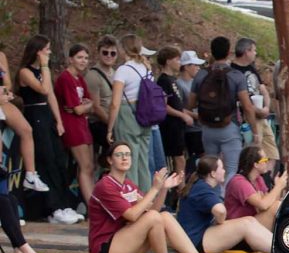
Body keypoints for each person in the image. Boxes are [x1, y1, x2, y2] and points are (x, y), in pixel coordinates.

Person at [88, 141, 228, 253]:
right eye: (119, 155)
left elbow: (153, 211)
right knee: (154, 217)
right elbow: (132, 216)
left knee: (165, 216)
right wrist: (154, 189)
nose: (124, 158)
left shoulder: (128, 185)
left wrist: (163, 189)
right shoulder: (105, 185)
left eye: (128, 155)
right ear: (109, 160)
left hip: (124, 246)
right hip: (105, 250)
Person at [17, 35, 81, 224]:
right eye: (47, 49)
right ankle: (53, 208)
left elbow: (51, 94)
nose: (50, 52)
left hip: (47, 115)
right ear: (38, 51)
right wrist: (44, 66)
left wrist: (59, 120)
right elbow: (43, 89)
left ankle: (64, 203)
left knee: (58, 160)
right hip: (34, 114)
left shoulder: (44, 71)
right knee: (46, 161)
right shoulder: (25, 72)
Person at [190, 36, 257, 190]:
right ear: (229, 53)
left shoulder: (201, 75)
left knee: (210, 169)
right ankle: (225, 204)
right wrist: (255, 131)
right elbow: (247, 106)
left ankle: (211, 202)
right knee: (231, 169)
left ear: (212, 52)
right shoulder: (235, 75)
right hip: (229, 127)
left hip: (206, 127)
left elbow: (191, 103)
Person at [177, 155, 273, 253]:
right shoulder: (202, 188)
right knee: (246, 225)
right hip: (195, 241)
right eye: (221, 168)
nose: (224, 171)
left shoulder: (200, 185)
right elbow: (220, 211)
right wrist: (220, 221)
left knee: (249, 220)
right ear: (213, 174)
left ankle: (281, 249)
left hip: (196, 237)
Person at [105, 34, 156, 193]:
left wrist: (110, 127)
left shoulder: (123, 70)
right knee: (142, 159)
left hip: (128, 113)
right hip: (146, 114)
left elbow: (115, 103)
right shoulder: (146, 68)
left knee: (128, 159)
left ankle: (131, 197)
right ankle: (146, 197)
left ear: (122, 49)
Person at [0, 48, 49, 193]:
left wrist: (4, 92)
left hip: (2, 100)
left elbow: (8, 83)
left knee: (26, 129)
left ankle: (30, 175)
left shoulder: (1, 56)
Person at [53, 43, 97, 204]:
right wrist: (84, 107)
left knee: (90, 167)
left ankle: (93, 202)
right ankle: (92, 206)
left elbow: (90, 103)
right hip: (72, 126)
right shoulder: (66, 78)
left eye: (86, 58)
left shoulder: (79, 78)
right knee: (85, 166)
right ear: (70, 59)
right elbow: (77, 109)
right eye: (79, 57)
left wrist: (85, 106)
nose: (83, 61)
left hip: (83, 126)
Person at [231, 38, 278, 164]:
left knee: (272, 152)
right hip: (248, 117)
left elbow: (262, 89)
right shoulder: (232, 71)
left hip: (262, 116)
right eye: (254, 50)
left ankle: (268, 178)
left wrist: (266, 107)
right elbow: (239, 100)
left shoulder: (251, 68)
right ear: (246, 51)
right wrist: (257, 110)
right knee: (255, 154)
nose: (255, 53)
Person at [225, 143, 288, 228]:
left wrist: (277, 187)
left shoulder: (258, 179)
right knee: (276, 207)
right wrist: (278, 187)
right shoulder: (239, 182)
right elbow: (263, 205)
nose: (267, 162)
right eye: (265, 159)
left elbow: (270, 203)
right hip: (236, 227)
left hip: (250, 222)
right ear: (256, 164)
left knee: (277, 205)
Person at [155, 47, 192, 179]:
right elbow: (164, 106)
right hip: (170, 126)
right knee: (178, 159)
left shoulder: (173, 80)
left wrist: (187, 114)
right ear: (168, 61)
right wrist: (182, 115)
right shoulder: (163, 80)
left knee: (181, 157)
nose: (179, 62)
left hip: (178, 125)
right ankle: (179, 188)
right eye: (177, 59)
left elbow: (177, 103)